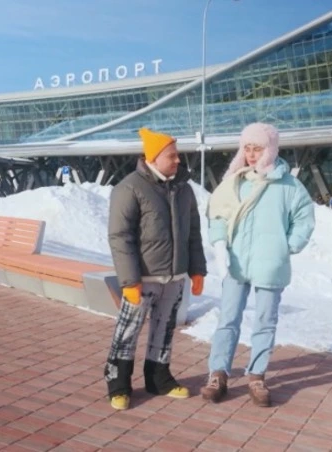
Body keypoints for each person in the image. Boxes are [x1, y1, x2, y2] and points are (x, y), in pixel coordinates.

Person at [200, 122, 315, 407]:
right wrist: (218, 246)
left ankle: (257, 375)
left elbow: (304, 218)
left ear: (271, 149)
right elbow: (217, 215)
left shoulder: (290, 185)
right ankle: (218, 374)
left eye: (257, 148)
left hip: (270, 265)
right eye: (247, 148)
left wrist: (287, 246)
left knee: (265, 322)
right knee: (227, 319)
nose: (251, 154)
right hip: (236, 264)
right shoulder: (234, 181)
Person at [104, 127, 208, 411]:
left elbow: (193, 233)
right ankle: (118, 384)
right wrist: (129, 280)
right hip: (142, 278)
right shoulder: (130, 188)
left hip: (174, 277)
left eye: (177, 155)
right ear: (154, 157)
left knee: (165, 329)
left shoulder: (184, 189)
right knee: (128, 331)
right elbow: (120, 236)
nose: (178, 161)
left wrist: (197, 270)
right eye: (172, 156)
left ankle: (159, 378)